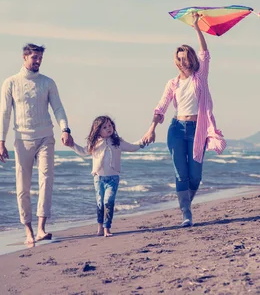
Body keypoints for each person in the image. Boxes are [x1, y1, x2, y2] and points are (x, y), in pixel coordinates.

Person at [141, 12, 226, 227]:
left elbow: (206, 53)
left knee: (195, 176)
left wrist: (196, 26)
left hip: (198, 129)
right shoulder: (172, 83)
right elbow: (161, 106)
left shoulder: (200, 77)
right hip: (176, 129)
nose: (182, 61)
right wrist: (151, 128)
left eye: (185, 57)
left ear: (191, 58)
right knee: (181, 173)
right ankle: (186, 213)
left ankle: (186, 204)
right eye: (178, 58)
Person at [0, 43, 73, 245]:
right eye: (34, 58)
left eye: (40, 58)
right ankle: (28, 230)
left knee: (46, 180)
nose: (38, 61)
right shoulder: (10, 83)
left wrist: (65, 128)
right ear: (24, 58)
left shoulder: (48, 83)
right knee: (22, 187)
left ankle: (41, 229)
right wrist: (1, 141)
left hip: (46, 137)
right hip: (22, 139)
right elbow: (5, 114)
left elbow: (58, 108)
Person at [68, 116, 145, 237]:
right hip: (98, 178)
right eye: (104, 127)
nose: (108, 128)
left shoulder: (117, 142)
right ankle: (100, 228)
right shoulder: (94, 143)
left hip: (113, 178)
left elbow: (132, 147)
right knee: (100, 203)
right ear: (98, 130)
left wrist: (143, 142)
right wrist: (72, 145)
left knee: (108, 202)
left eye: (110, 125)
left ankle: (107, 228)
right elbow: (83, 151)